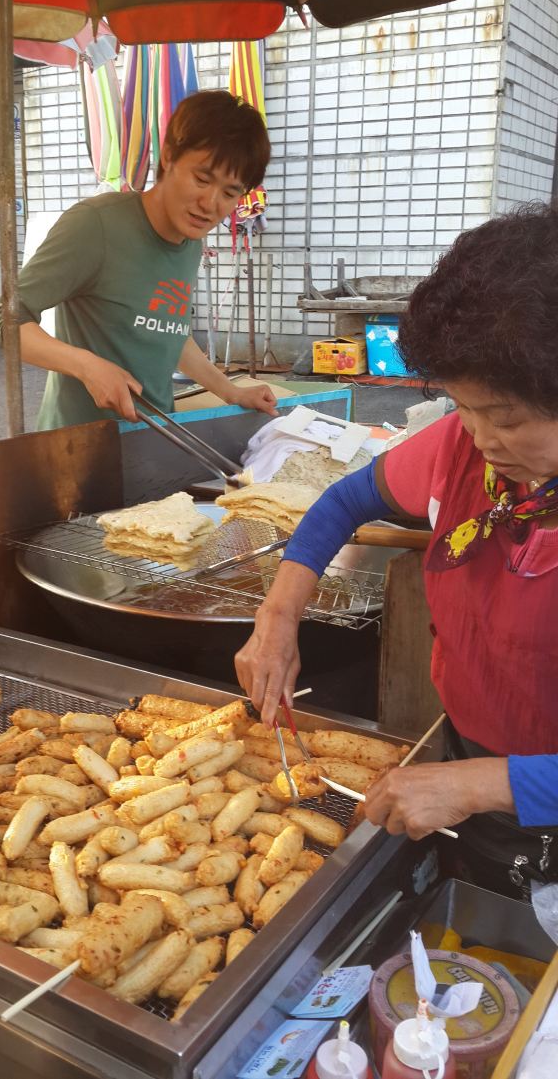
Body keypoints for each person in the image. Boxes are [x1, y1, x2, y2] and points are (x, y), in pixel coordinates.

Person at [235, 202, 558, 898]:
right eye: (464, 408)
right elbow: (344, 502)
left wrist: (482, 784)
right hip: (473, 763)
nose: (481, 439)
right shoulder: (458, 452)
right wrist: (281, 612)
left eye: (507, 418)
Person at [0, 90, 277, 430]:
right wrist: (86, 365)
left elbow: (170, 332)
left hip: (153, 439)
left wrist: (231, 392)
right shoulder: (96, 225)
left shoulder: (190, 240)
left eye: (229, 193)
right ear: (168, 157)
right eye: (202, 178)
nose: (210, 204)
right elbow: (2, 318)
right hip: (77, 446)